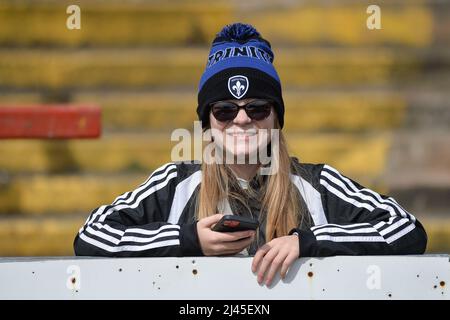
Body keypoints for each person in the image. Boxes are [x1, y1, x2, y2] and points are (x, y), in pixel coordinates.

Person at [74, 23, 427, 286]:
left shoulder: (317, 183)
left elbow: (406, 229)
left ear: (276, 118)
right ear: (208, 123)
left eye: (257, 109)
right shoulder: (175, 183)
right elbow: (91, 235)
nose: (241, 119)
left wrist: (309, 242)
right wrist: (188, 239)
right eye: (225, 111)